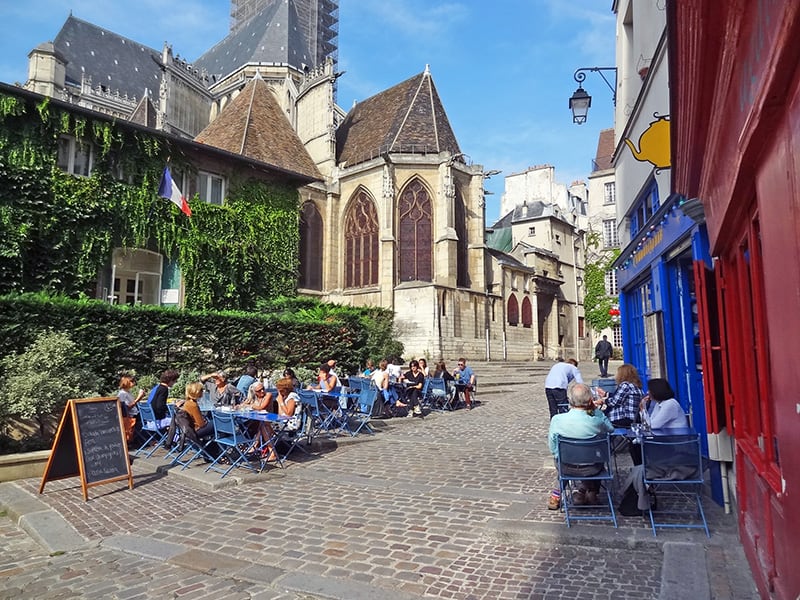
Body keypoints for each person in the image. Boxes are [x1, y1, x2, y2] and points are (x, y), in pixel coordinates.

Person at [548, 382, 614, 508]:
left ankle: (558, 495)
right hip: (592, 467)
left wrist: (560, 455)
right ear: (590, 400)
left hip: (565, 466)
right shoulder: (596, 421)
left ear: (570, 400)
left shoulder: (557, 420)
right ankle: (591, 492)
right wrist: (598, 412)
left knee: (565, 457)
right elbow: (610, 429)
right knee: (597, 454)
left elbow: (552, 447)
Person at [595, 363, 644, 427]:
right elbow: (620, 396)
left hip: (623, 418)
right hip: (634, 418)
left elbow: (614, 402)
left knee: (597, 421)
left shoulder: (625, 385)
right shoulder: (636, 387)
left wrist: (603, 400)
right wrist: (605, 394)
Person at [117, 374, 145, 442]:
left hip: (134, 414)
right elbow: (127, 408)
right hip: (131, 416)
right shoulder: (122, 394)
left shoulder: (128, 392)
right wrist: (138, 398)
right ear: (127, 382)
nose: (134, 383)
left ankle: (143, 440)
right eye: (132, 381)